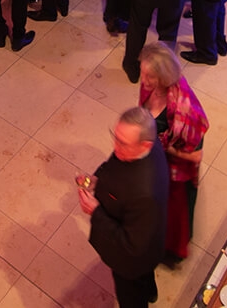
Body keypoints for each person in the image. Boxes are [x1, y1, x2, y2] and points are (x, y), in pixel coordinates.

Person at [79, 107, 168, 308]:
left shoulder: (145, 193)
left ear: (145, 144)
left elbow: (132, 246)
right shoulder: (143, 147)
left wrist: (95, 212)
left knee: (132, 299)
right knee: (145, 276)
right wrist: (96, 181)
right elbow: (115, 167)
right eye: (115, 137)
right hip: (149, 244)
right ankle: (150, 291)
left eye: (122, 143)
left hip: (133, 262)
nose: (114, 146)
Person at [138, 42, 209, 263]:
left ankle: (170, 251)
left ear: (164, 75)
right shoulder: (149, 87)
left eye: (149, 77)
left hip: (175, 172)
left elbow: (196, 156)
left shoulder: (185, 109)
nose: (144, 81)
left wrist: (164, 146)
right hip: (155, 162)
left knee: (172, 215)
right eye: (142, 73)